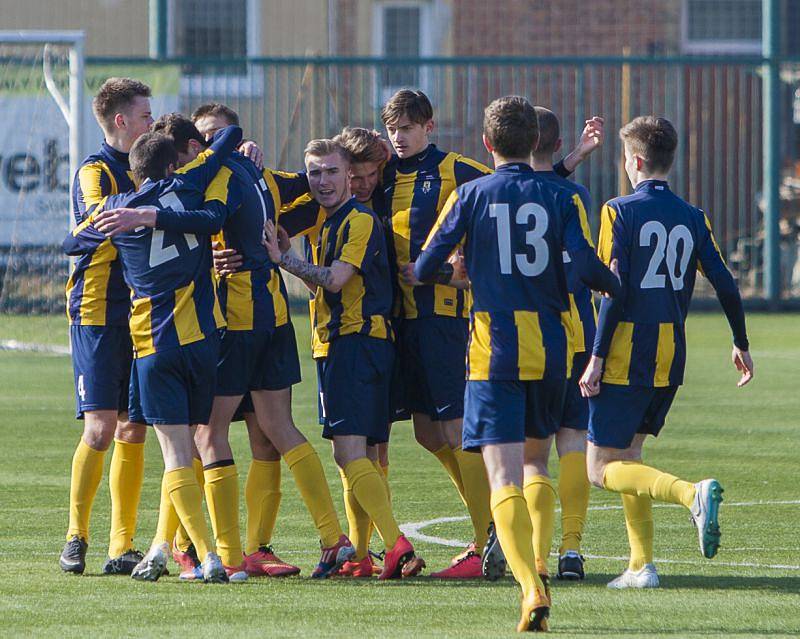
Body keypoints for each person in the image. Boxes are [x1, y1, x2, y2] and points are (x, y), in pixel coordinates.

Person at [414, 96, 620, 631]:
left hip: (493, 353)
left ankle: (530, 587)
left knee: (502, 474)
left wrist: (462, 275)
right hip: (553, 351)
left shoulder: (471, 193)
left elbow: (425, 266)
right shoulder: (566, 196)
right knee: (537, 464)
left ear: (486, 144)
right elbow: (588, 265)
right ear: (535, 142)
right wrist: (616, 282)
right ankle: (551, 556)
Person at [579, 115, 754, 589]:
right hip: (670, 353)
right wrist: (740, 342)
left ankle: (689, 494)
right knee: (630, 456)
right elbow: (725, 284)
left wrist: (595, 356)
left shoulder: (619, 210)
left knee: (598, 468)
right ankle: (641, 565)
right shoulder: (694, 217)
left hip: (624, 351)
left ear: (634, 161)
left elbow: (611, 291)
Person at [63, 124, 243, 583]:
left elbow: (70, 244)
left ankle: (207, 557)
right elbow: (227, 137)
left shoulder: (118, 208)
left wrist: (118, 216)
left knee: (176, 455)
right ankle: (173, 548)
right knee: (197, 446)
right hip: (204, 340)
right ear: (172, 165)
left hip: (154, 347)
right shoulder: (189, 185)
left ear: (134, 171)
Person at [190, 105, 356, 579]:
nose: (212, 144)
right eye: (206, 137)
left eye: (220, 135)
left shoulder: (217, 177)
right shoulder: (253, 172)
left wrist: (285, 231)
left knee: (203, 434)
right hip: (275, 316)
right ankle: (328, 536)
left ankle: (219, 553)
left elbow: (314, 184)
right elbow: (319, 186)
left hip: (234, 322)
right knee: (272, 432)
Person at [264, 138, 424, 580]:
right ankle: (364, 552)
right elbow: (330, 285)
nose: (322, 181)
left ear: (349, 177)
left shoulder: (357, 219)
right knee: (363, 455)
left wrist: (284, 260)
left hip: (355, 345)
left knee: (347, 452)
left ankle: (396, 546)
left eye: (331, 172)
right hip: (352, 345)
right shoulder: (332, 221)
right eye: (314, 173)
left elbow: (333, 281)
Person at [60, 77, 153, 576]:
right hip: (97, 312)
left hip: (145, 315)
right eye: (144, 116)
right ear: (121, 121)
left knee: (133, 428)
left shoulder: (153, 168)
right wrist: (144, 211)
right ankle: (76, 536)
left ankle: (122, 545)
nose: (151, 122)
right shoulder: (95, 171)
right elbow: (93, 221)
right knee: (99, 428)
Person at [528, 106, 603, 581]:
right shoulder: (574, 195)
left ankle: (535, 556)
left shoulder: (499, 195)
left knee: (531, 454)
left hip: (527, 333)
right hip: (578, 328)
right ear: (556, 146)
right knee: (573, 441)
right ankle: (571, 549)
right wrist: (572, 161)